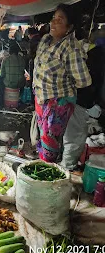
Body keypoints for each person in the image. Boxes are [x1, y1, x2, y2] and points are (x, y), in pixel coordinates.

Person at [33, 4, 92, 163]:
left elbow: (84, 81)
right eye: (53, 18)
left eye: (60, 20)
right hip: (41, 98)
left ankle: (48, 173)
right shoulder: (45, 40)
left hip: (58, 103)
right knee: (44, 137)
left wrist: (62, 87)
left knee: (51, 143)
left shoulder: (71, 48)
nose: (54, 22)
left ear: (69, 27)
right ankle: (45, 164)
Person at [61, 32, 105, 170]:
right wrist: (93, 104)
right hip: (82, 103)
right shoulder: (97, 56)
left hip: (78, 101)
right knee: (74, 139)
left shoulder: (89, 53)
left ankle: (68, 164)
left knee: (71, 137)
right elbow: (88, 83)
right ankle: (67, 168)